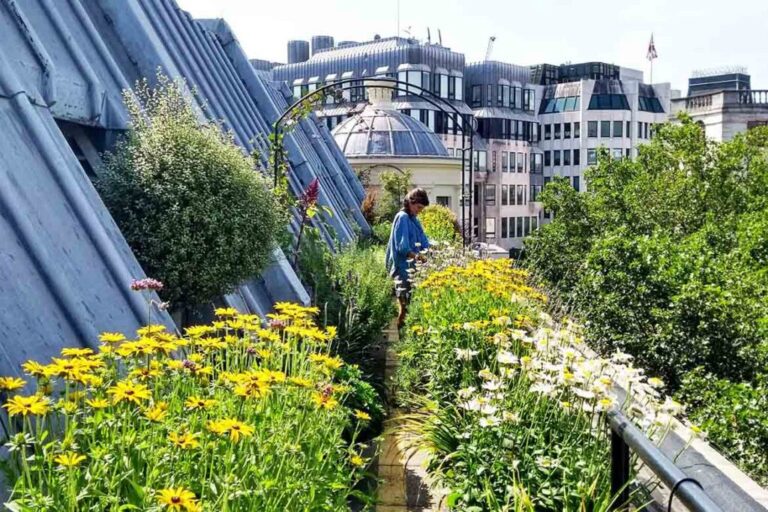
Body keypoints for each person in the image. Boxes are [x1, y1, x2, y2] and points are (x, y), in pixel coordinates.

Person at [385, 188, 430, 330]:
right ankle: (401, 337)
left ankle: (406, 334)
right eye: (418, 207)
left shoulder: (413, 219)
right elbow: (402, 247)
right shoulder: (402, 217)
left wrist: (431, 251)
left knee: (410, 304)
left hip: (411, 268)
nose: (419, 211)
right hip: (402, 267)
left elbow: (423, 240)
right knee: (404, 307)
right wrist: (418, 256)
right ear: (411, 202)